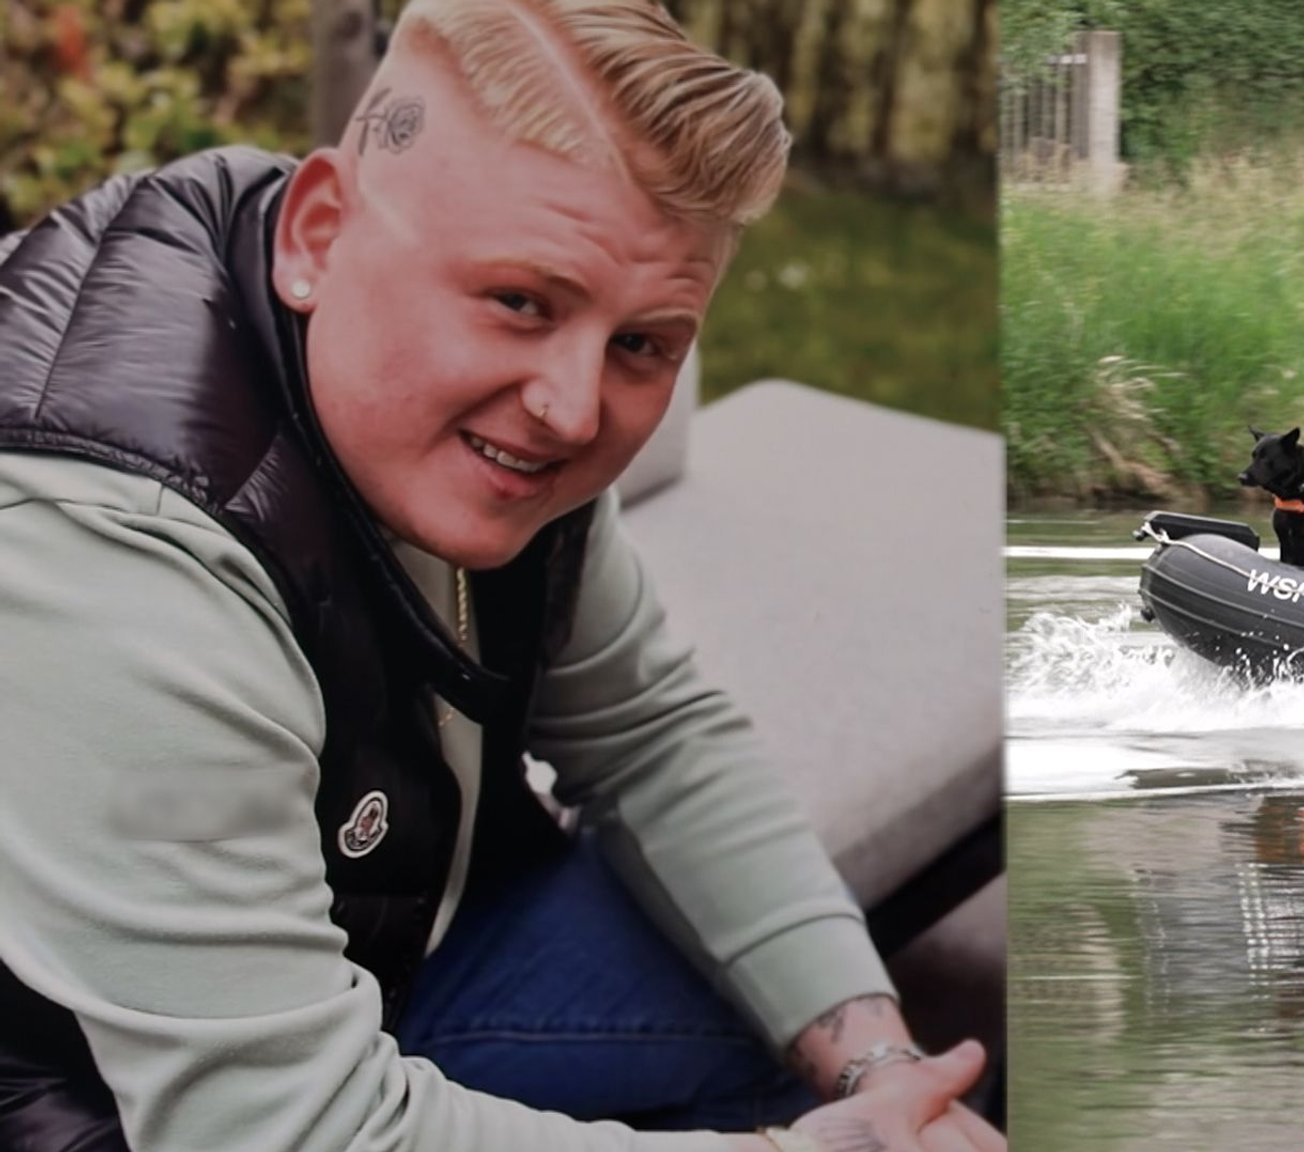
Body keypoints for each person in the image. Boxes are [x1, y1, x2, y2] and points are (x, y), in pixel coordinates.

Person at [0, 3, 1002, 1152]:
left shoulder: (457, 418)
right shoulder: (114, 557)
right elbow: (282, 1128)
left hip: (399, 937)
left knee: (784, 1054)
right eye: (521, 303)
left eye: (643, 345)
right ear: (318, 236)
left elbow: (653, 734)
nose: (572, 412)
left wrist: (880, 1069)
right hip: (94, 1086)